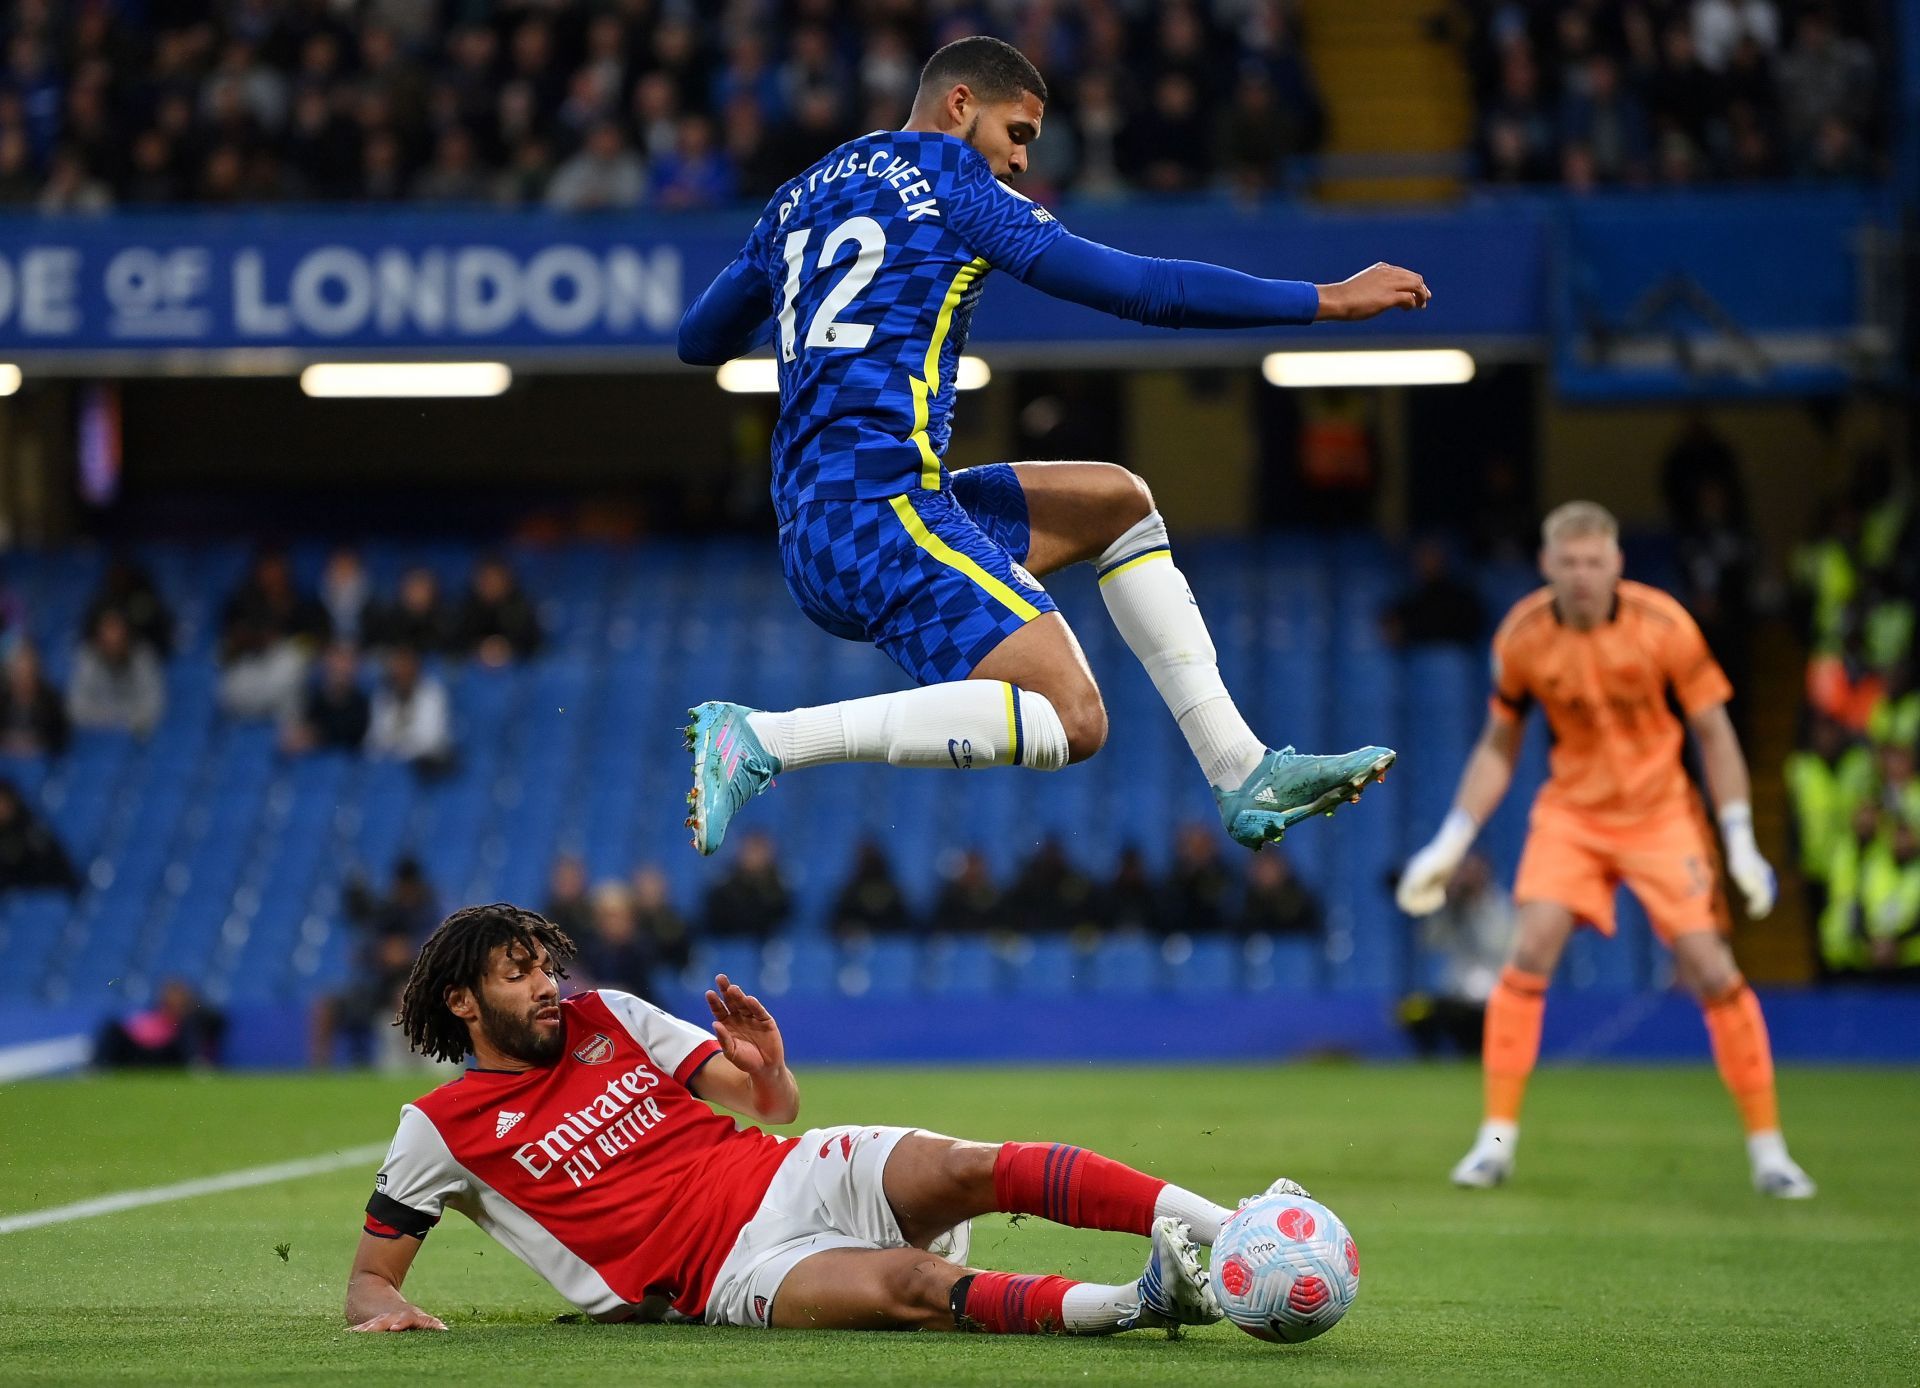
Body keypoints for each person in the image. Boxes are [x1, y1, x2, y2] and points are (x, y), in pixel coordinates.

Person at [678, 36, 1423, 858]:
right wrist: (1324, 300)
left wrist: (797, 293)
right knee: (1075, 719)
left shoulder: (801, 193)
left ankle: (1242, 770)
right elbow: (1147, 291)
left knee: (1119, 505)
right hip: (878, 513)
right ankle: (768, 739)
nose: (1023, 162)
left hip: (834, 516)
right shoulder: (954, 183)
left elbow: (700, 340)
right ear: (960, 104)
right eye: (1019, 133)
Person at [346, 903, 1309, 1334]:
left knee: (976, 1162)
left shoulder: (614, 1016)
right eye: (519, 975)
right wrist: (385, 1310)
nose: (549, 986)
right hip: (728, 1273)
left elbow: (770, 1108)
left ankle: (1231, 1227)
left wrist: (767, 1068)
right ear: (464, 1004)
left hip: (790, 1171)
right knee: (914, 1285)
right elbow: (369, 1281)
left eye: (546, 965)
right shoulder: (438, 1129)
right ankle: (1147, 1303)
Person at [1396, 501, 1815, 1198]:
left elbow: (1713, 732)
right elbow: (1499, 747)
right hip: (1574, 815)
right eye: (1570, 562)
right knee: (1527, 954)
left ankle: (1770, 1153)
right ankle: (1494, 1144)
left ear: (1617, 564)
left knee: (1711, 966)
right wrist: (1451, 840)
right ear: (1547, 565)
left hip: (1661, 815)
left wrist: (1740, 837)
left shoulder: (1665, 625)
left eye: (1596, 562)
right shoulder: (1524, 636)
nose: (1584, 575)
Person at [67, 607, 166, 737]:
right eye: (106, 631)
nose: (112, 637)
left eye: (116, 630)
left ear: (127, 633)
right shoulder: (88, 658)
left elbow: (153, 706)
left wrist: (120, 721)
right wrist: (113, 720)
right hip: (97, 738)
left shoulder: (142, 658)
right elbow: (75, 707)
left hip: (137, 738)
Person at [0, 641, 71, 757]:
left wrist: (36, 743)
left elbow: (60, 738)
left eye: (28, 669)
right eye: (19, 670)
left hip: (41, 762)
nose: (24, 675)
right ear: (11, 672)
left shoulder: (51, 701)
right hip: (6, 762)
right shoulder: (2, 700)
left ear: (37, 670)